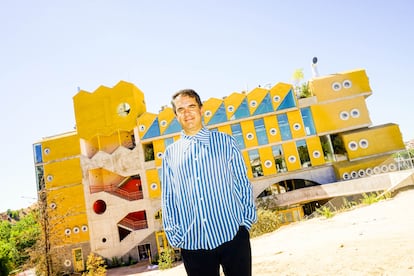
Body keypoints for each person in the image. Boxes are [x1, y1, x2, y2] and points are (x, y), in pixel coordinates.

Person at [161, 89, 257, 276]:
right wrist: (175, 235)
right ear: (176, 116)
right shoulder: (170, 154)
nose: (187, 113)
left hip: (233, 236)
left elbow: (242, 183)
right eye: (181, 109)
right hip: (193, 243)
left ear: (201, 109)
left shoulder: (225, 142)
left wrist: (245, 223)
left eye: (191, 106)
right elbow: (168, 197)